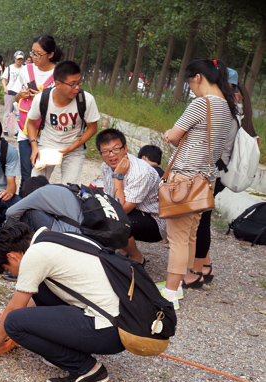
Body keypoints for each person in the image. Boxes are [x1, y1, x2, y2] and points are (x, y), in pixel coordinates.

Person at [0, 223, 125, 382]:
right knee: (33, 297)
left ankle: (86, 369)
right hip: (121, 320)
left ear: (12, 257)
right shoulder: (54, 239)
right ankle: (62, 352)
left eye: (8, 270)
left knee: (13, 322)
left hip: (109, 331)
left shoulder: (35, 255)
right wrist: (19, 312)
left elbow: (13, 312)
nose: (14, 275)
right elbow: (34, 298)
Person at [160, 59, 238, 308]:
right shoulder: (227, 107)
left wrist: (168, 135)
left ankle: (170, 295)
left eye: (189, 82)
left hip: (184, 178)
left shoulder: (201, 104)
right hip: (205, 180)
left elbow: (174, 136)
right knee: (190, 234)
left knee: (178, 238)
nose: (190, 88)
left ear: (199, 78)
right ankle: (179, 285)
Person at [183, 67, 256, 289]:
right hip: (220, 173)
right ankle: (205, 266)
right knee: (202, 219)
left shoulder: (222, 109)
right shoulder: (236, 108)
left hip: (212, 173)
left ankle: (195, 272)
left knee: (200, 223)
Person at [96, 129, 165, 266]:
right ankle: (122, 249)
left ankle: (137, 258)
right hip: (132, 212)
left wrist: (118, 176)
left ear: (125, 148)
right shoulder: (105, 166)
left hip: (155, 221)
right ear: (100, 153)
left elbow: (121, 210)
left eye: (116, 149)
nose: (111, 155)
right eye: (106, 151)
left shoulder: (141, 171)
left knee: (116, 221)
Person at [26, 60, 100, 184]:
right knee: (35, 183)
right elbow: (31, 123)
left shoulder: (86, 99)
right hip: (48, 144)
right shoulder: (42, 98)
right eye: (72, 84)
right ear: (58, 84)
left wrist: (71, 148)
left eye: (79, 83)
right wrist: (34, 147)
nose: (77, 88)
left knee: (70, 188)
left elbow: (92, 128)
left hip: (74, 148)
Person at [14, 34, 61, 183]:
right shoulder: (25, 70)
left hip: (49, 134)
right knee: (26, 176)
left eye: (39, 54)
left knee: (40, 179)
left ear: (51, 54)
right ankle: (23, 205)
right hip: (26, 130)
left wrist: (44, 97)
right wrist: (21, 95)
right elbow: (15, 99)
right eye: (32, 53)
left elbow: (64, 104)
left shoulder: (60, 74)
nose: (34, 57)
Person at [2, 51, 26, 138]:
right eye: (18, 58)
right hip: (10, 91)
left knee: (18, 112)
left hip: (20, 93)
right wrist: (5, 88)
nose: (19, 60)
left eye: (21, 59)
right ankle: (5, 129)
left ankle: (17, 131)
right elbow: (4, 79)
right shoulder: (9, 68)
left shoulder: (24, 68)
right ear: (14, 58)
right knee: (8, 111)